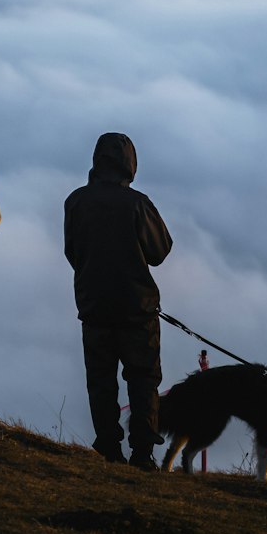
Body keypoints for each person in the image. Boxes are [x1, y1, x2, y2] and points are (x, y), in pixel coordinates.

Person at [63, 132, 172, 470]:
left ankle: (109, 448)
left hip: (93, 306)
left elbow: (73, 252)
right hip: (137, 309)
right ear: (130, 165)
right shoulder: (138, 204)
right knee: (143, 380)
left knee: (100, 380)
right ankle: (143, 453)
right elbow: (160, 251)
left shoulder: (76, 201)